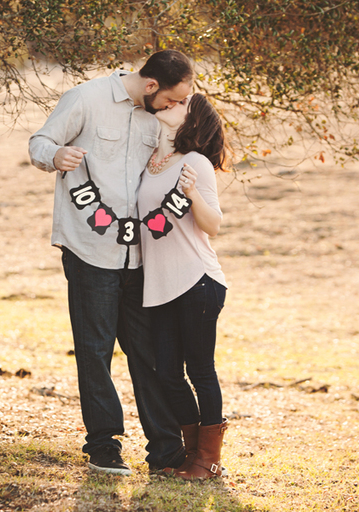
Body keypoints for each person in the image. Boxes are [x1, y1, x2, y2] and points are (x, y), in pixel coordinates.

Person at [29, 50, 195, 476]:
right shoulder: (85, 99)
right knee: (95, 350)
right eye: (173, 99)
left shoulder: (155, 118)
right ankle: (104, 446)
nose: (176, 108)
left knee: (150, 354)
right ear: (152, 85)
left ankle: (165, 450)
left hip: (140, 255)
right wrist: (56, 156)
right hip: (89, 250)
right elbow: (39, 142)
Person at [137, 92, 230, 479]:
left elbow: (213, 225)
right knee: (168, 374)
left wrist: (191, 195)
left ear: (190, 120)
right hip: (159, 285)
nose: (169, 105)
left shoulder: (196, 164)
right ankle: (192, 456)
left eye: (179, 104)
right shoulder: (153, 164)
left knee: (200, 370)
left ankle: (208, 461)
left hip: (197, 281)